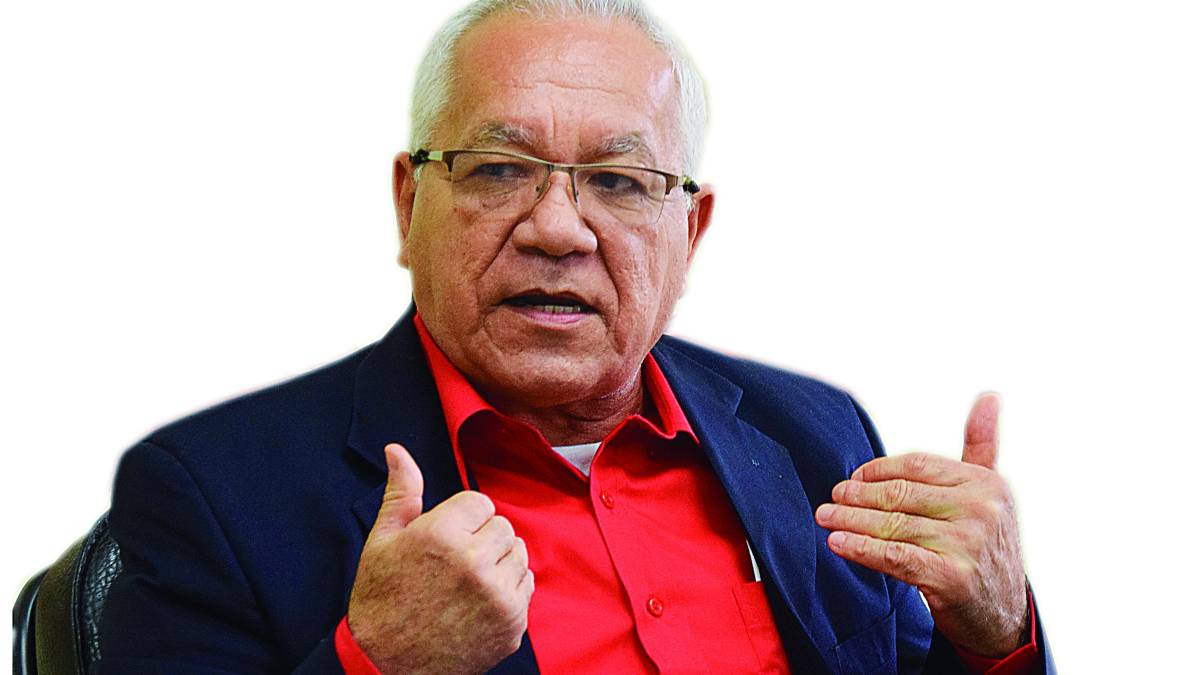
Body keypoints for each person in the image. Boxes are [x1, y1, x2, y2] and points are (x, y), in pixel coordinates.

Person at [97, 1, 1054, 673]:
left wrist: (994, 633)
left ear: (691, 233)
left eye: (620, 181)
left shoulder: (813, 432)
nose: (558, 228)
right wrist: (377, 665)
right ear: (408, 204)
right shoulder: (212, 492)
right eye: (497, 168)